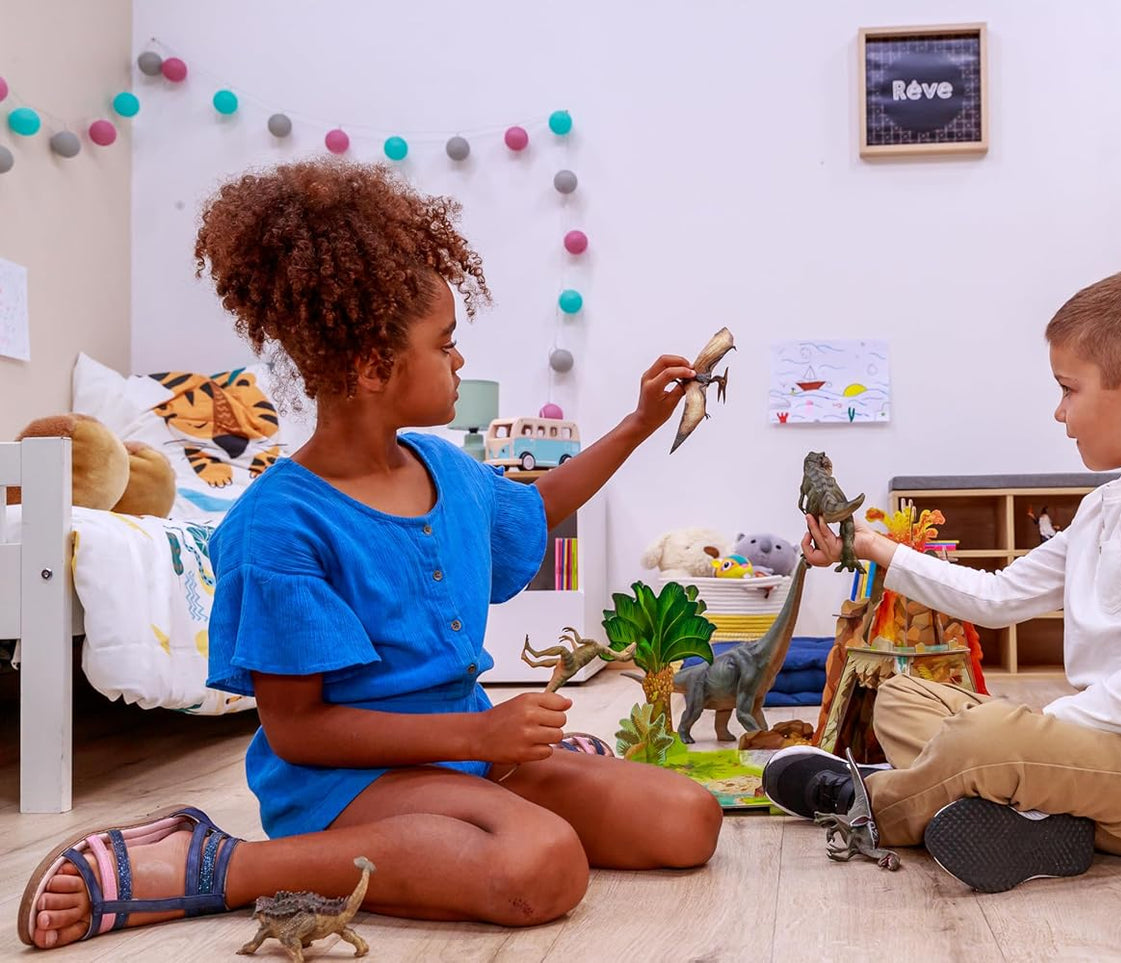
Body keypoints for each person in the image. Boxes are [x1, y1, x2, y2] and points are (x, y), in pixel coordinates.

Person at [20, 160, 722, 950]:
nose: (459, 361)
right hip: (348, 781)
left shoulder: (445, 468)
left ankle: (504, 800)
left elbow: (533, 509)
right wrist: (478, 741)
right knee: (541, 866)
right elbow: (300, 733)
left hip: (467, 747)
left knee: (687, 819)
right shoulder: (278, 526)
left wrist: (637, 423)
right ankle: (220, 863)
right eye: (445, 345)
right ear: (371, 367)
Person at [764, 262, 1121, 893]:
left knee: (985, 738)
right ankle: (1023, 816)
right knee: (902, 697)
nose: (1060, 412)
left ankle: (869, 800)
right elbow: (998, 597)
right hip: (1119, 755)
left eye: (1069, 390)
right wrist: (870, 547)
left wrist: (1034, 732)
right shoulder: (1106, 505)